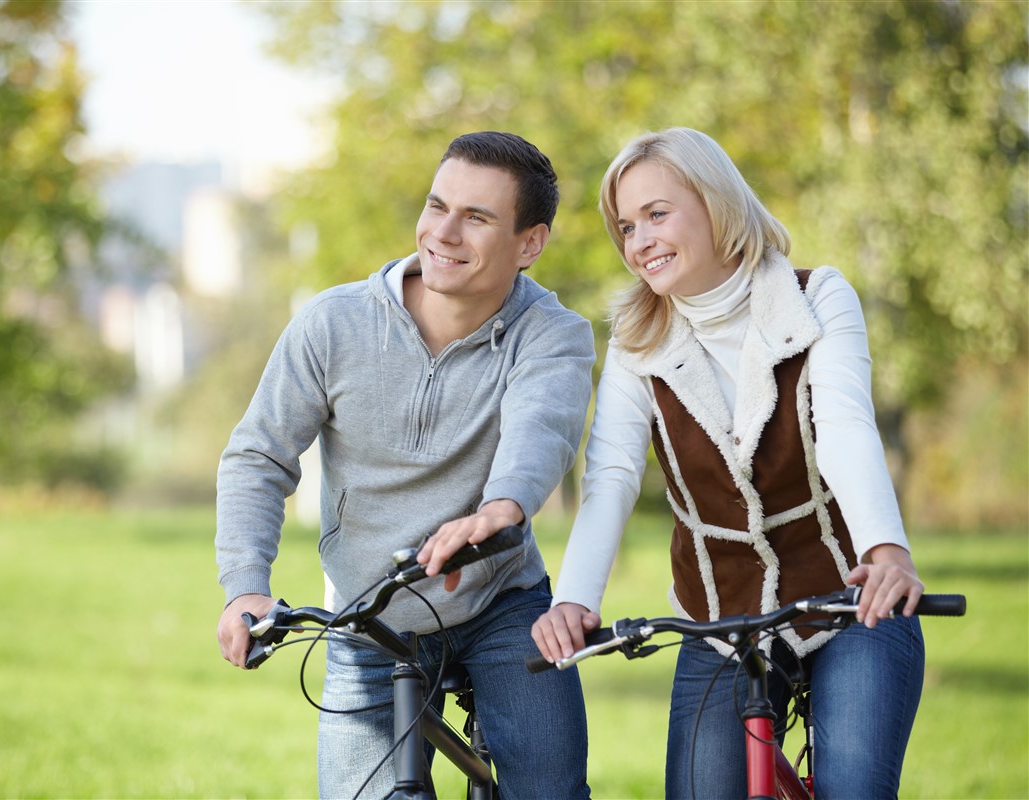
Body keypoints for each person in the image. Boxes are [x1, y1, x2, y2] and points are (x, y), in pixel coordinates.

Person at [531, 127, 927, 799]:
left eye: (658, 214)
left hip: (849, 600)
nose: (640, 240)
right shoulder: (635, 341)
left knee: (854, 786)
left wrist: (887, 552)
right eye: (626, 226)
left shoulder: (817, 296)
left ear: (718, 204)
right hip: (721, 623)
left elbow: (844, 429)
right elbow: (613, 475)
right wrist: (574, 600)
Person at [217, 131, 595, 799]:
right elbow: (259, 456)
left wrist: (500, 508)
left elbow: (542, 427)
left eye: (477, 218)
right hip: (371, 613)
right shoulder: (333, 324)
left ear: (529, 244)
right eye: (437, 205)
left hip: (499, 603)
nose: (444, 232)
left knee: (552, 791)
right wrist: (247, 584)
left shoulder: (552, 333)